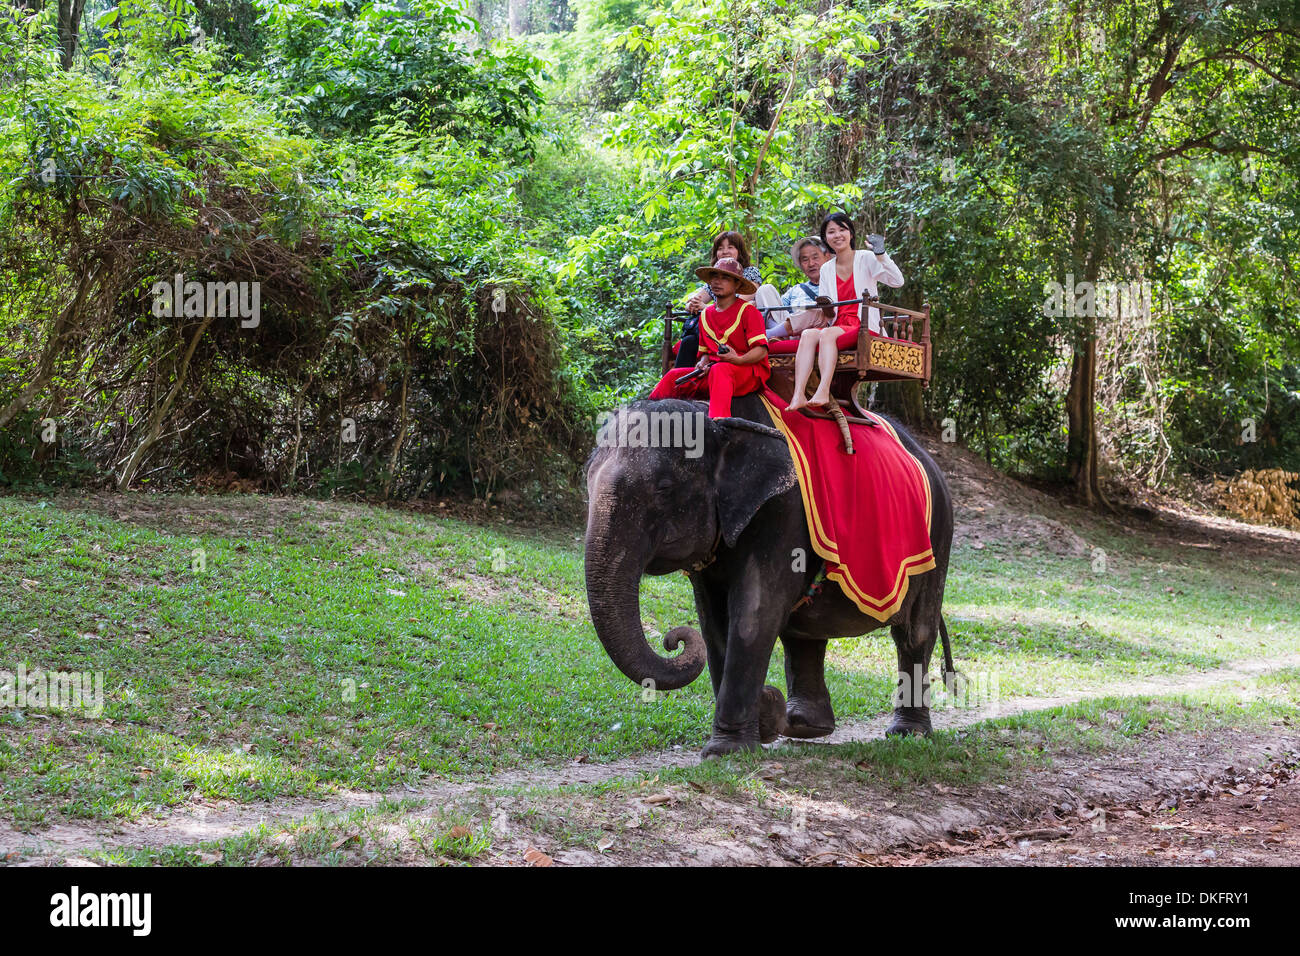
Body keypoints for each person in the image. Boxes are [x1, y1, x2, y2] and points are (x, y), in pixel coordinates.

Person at [787, 213, 904, 411]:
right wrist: (825, 306)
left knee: (827, 334)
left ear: (850, 233)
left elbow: (897, 281)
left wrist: (881, 254)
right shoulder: (826, 269)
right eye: (831, 232)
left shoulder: (866, 258)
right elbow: (830, 312)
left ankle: (823, 389)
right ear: (826, 239)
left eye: (842, 229)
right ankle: (798, 394)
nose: (837, 235)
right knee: (808, 335)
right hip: (838, 324)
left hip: (862, 325)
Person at [650, 257, 770, 418]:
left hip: (746, 372)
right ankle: (643, 416)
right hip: (714, 372)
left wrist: (737, 359)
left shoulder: (748, 311)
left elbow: (761, 351)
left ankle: (720, 421)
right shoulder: (706, 314)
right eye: (714, 277)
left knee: (720, 370)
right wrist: (702, 363)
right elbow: (706, 352)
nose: (717, 282)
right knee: (673, 376)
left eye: (725, 278)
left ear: (737, 285)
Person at [675, 231, 764, 368]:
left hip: (737, 329)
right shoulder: (716, 278)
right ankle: (684, 381)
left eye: (730, 247)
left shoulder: (750, 273)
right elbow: (692, 303)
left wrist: (705, 308)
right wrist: (693, 304)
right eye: (720, 248)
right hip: (715, 327)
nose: (725, 252)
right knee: (689, 341)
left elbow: (738, 305)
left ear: (739, 251)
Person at [756, 237, 832, 341]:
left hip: (815, 331)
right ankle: (779, 333)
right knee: (765, 289)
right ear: (800, 265)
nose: (811, 264)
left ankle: (772, 333)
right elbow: (776, 311)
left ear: (827, 257)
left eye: (815, 257)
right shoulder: (796, 290)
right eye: (805, 260)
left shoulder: (833, 284)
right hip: (790, 332)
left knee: (813, 310)